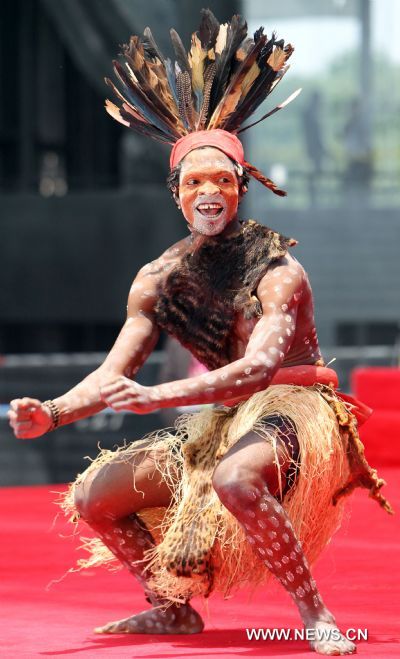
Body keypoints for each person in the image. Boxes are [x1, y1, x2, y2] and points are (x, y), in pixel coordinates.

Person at [8, 11, 391, 655]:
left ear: (240, 189)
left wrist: (158, 400)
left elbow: (257, 372)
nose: (209, 191)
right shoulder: (157, 279)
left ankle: (314, 612)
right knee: (95, 496)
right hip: (220, 415)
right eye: (195, 182)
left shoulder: (276, 268)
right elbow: (113, 374)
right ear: (176, 195)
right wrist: (51, 412)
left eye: (222, 181)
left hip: (294, 409)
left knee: (236, 479)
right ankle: (171, 608)